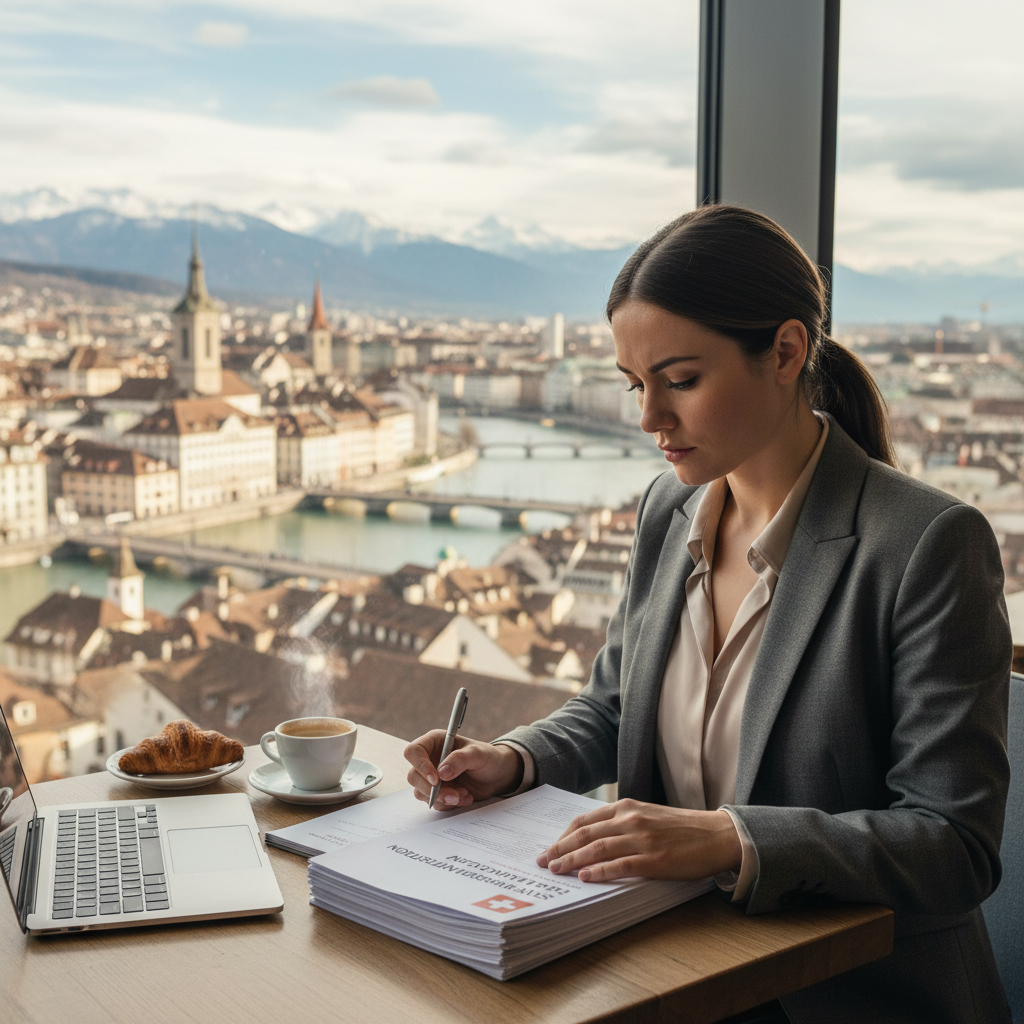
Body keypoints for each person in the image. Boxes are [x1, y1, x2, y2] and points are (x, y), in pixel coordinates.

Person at [404, 205, 1012, 1024]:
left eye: (680, 381)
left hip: (851, 998)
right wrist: (513, 761)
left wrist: (731, 839)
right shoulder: (668, 507)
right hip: (674, 972)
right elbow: (617, 707)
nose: (649, 418)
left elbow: (954, 845)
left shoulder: (928, 544)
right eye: (635, 385)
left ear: (787, 352)